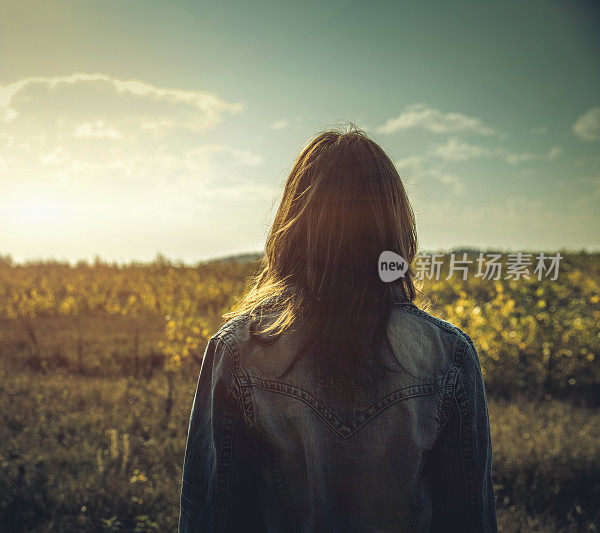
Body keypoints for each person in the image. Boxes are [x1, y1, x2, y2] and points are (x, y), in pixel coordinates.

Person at [178, 125, 497, 532]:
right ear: (396, 227)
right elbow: (471, 522)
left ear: (294, 227)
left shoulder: (241, 351)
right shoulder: (448, 354)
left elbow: (211, 520)